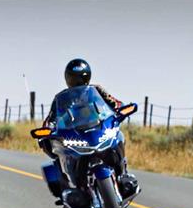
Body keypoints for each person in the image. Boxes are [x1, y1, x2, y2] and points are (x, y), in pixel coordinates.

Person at [40, 58, 137, 199]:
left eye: (80, 78)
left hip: (98, 128)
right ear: (68, 78)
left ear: (87, 77)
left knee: (118, 136)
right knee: (63, 152)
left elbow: (113, 102)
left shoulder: (96, 90)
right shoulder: (62, 99)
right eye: (73, 78)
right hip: (75, 133)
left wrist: (119, 109)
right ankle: (75, 186)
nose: (76, 81)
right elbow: (52, 117)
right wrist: (48, 128)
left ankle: (123, 173)